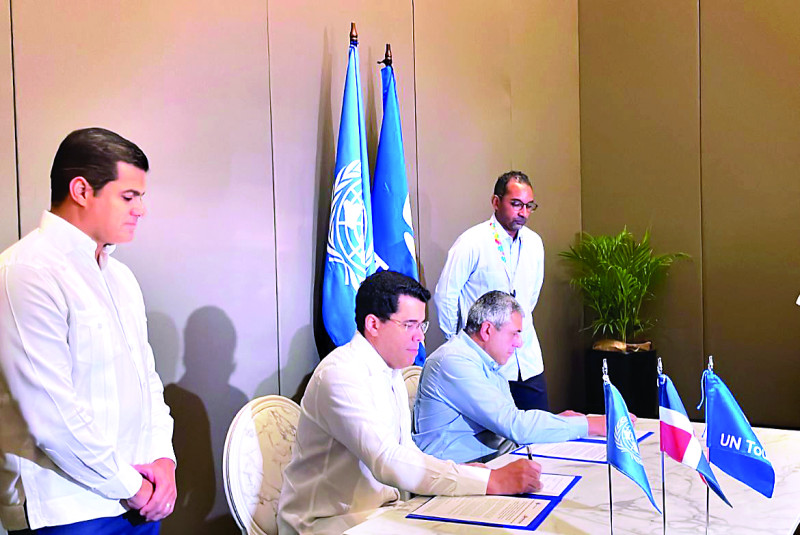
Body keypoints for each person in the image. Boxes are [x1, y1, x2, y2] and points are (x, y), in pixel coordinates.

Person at [0, 128, 176, 533]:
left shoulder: (122, 278)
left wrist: (163, 461)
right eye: (128, 197)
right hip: (68, 509)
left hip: (140, 499)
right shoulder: (27, 271)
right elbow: (50, 414)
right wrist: (131, 484)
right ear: (81, 190)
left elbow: (147, 383)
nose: (141, 210)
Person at [277, 270, 543, 535]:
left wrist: (461, 473)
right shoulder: (340, 374)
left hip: (383, 512)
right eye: (410, 325)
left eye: (422, 325)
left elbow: (406, 450)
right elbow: (387, 459)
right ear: (373, 325)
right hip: (328, 523)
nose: (420, 337)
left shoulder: (390, 371)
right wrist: (491, 480)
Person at [415, 291, 606, 463]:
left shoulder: (484, 360)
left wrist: (558, 423)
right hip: (457, 478)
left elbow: (511, 426)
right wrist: (590, 425)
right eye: (514, 334)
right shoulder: (453, 361)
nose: (519, 343)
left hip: (488, 465)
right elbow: (515, 426)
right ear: (487, 330)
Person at [434, 170, 549, 411]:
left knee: (538, 435)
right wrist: (455, 340)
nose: (523, 213)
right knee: (497, 442)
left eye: (529, 206)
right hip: (485, 362)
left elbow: (531, 297)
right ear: (496, 202)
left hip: (527, 359)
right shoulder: (472, 241)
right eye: (516, 204)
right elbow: (446, 294)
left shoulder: (535, 243)